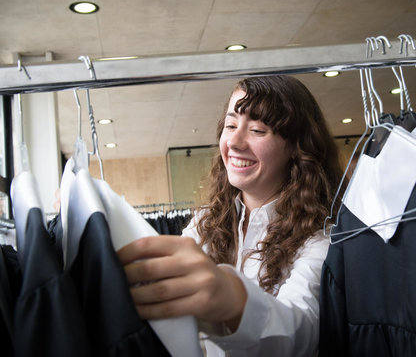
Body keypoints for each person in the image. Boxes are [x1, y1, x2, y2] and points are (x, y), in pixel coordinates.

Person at [117, 75, 345, 356]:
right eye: (231, 125)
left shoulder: (321, 237)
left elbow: (301, 332)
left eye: (258, 130)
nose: (235, 142)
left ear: (296, 147)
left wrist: (234, 302)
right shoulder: (204, 223)